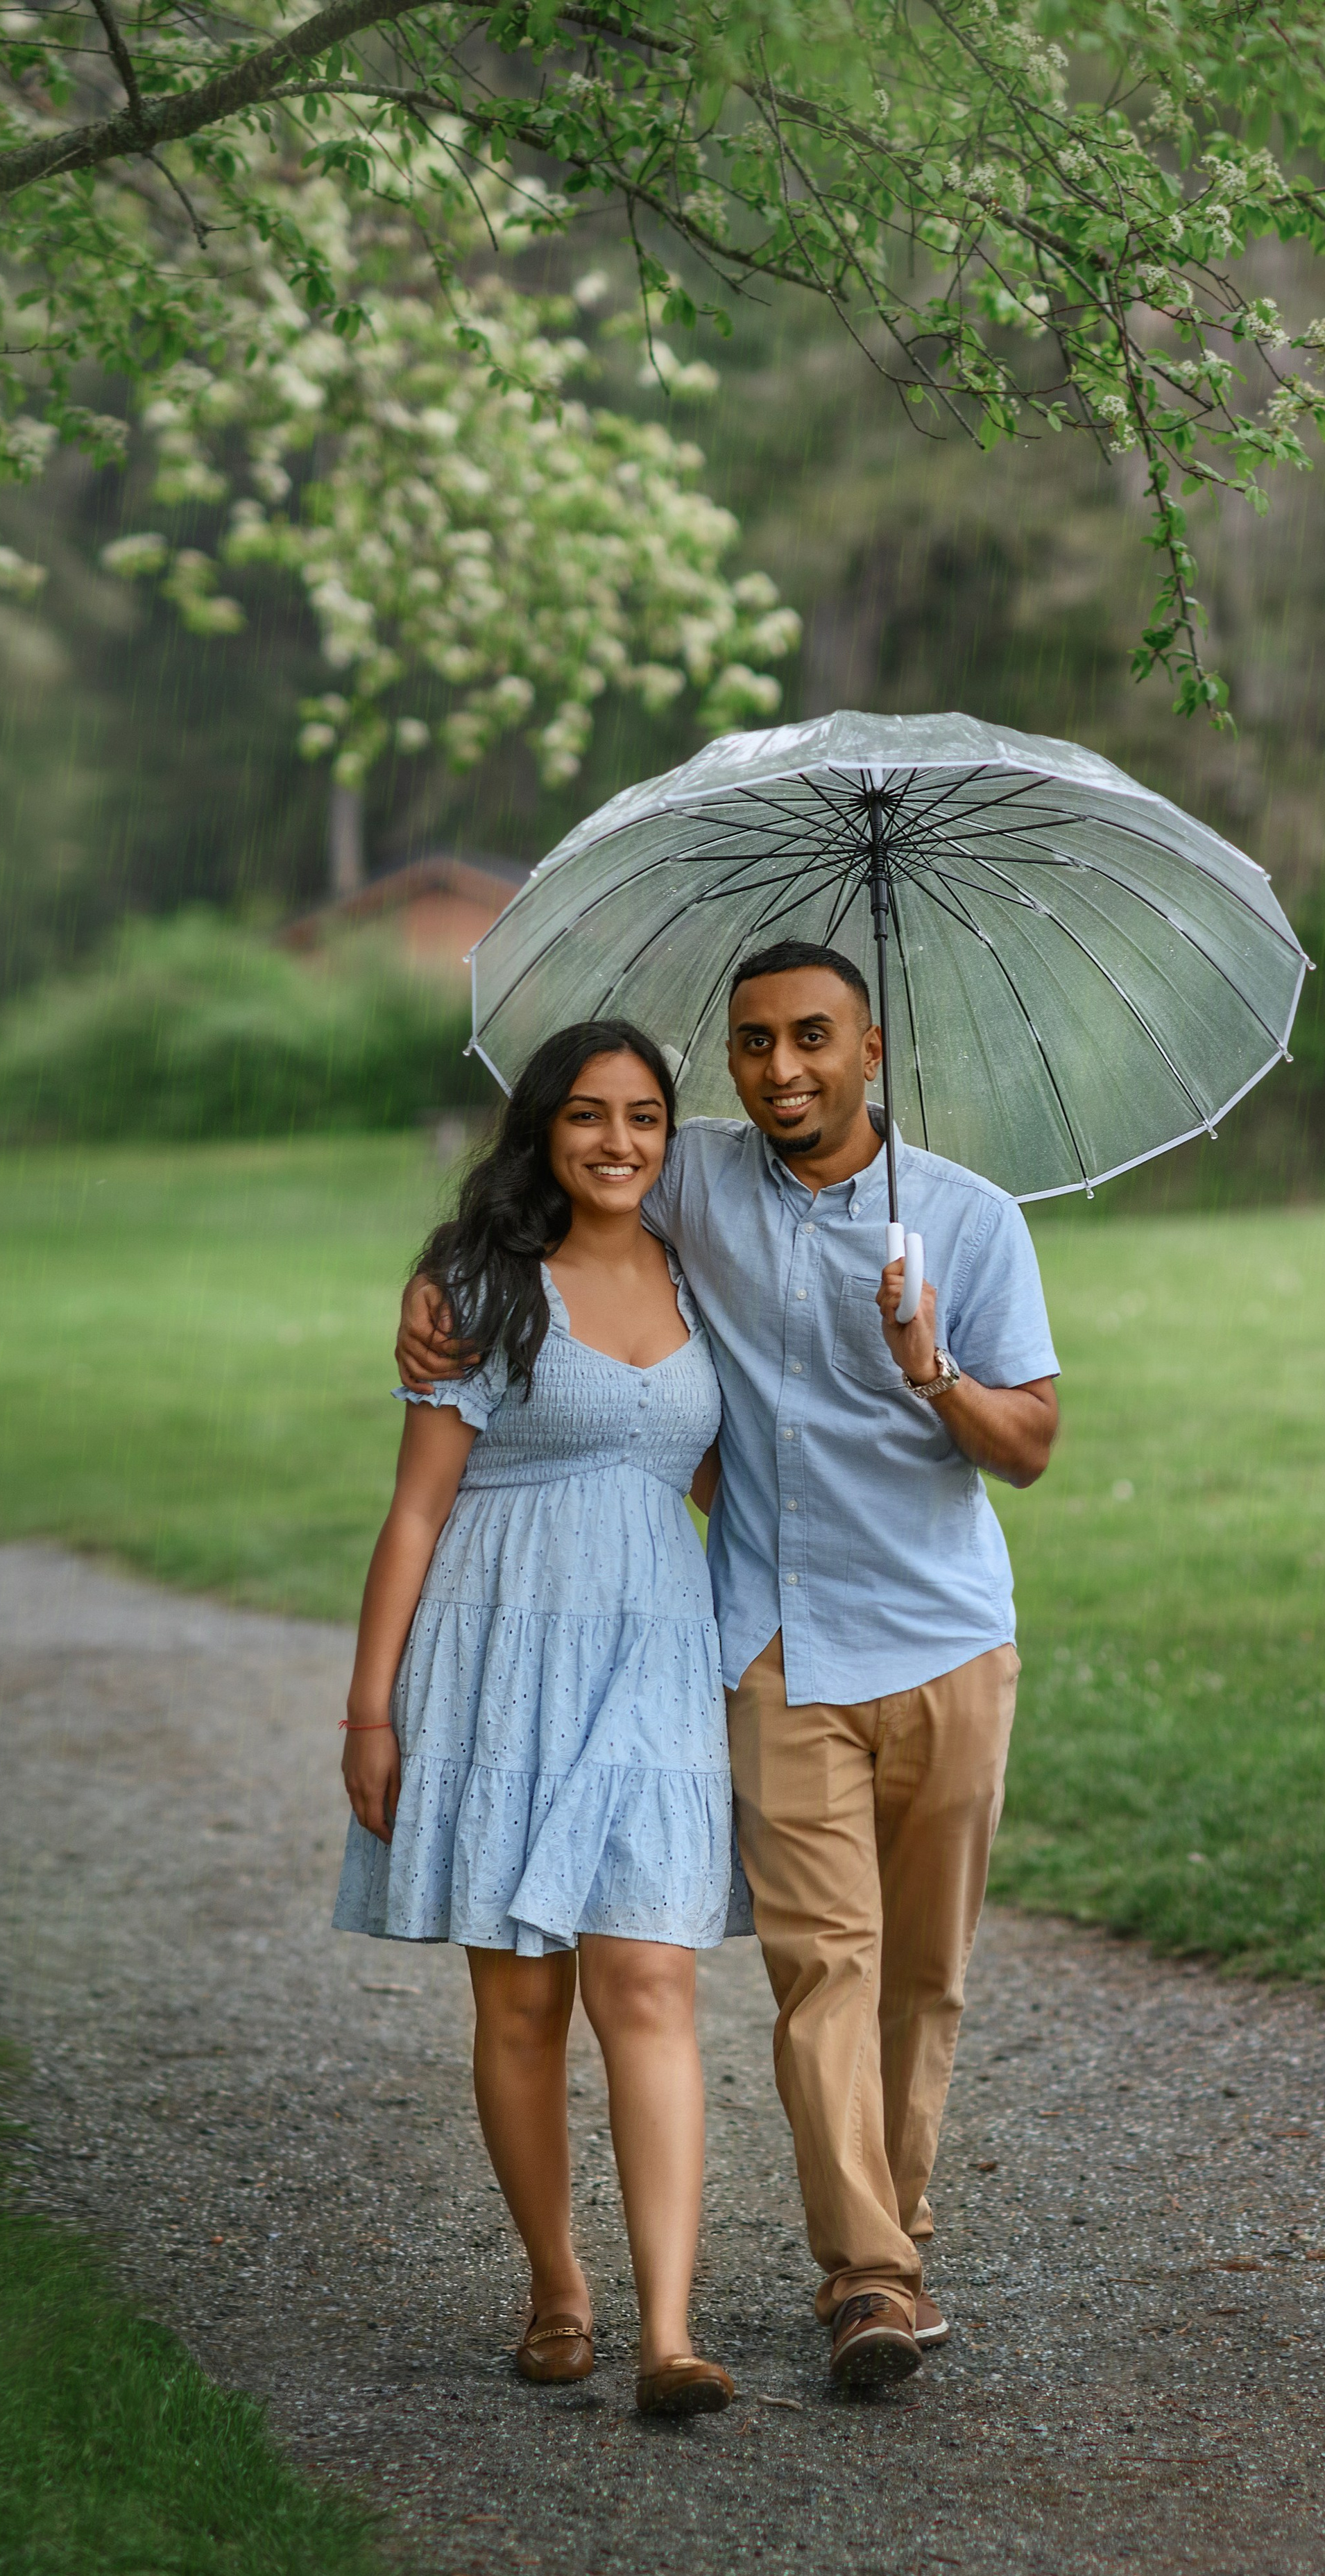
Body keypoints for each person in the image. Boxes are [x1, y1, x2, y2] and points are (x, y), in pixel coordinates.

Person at [400, 942, 1060, 2392]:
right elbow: (567, 1180)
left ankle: (898, 2222)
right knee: (824, 1967)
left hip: (947, 1634)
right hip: (771, 1643)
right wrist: (444, 1278)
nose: (782, 1069)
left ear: (868, 1051)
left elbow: (1029, 1447)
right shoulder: (691, 1178)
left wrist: (932, 1368)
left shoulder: (969, 1217)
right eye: (754, 1044)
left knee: (921, 1981)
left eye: (812, 1038)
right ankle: (867, 2283)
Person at [338, 1018, 743, 2419]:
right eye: (587, 1117)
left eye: (643, 1118)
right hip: (499, 1647)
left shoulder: (703, 1269)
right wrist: (368, 1715)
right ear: (541, 1131)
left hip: (655, 1660)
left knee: (650, 1976)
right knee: (521, 1996)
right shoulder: (476, 1282)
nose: (618, 1143)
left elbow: (701, 1477)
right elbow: (414, 1510)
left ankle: (669, 2334)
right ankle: (556, 2285)